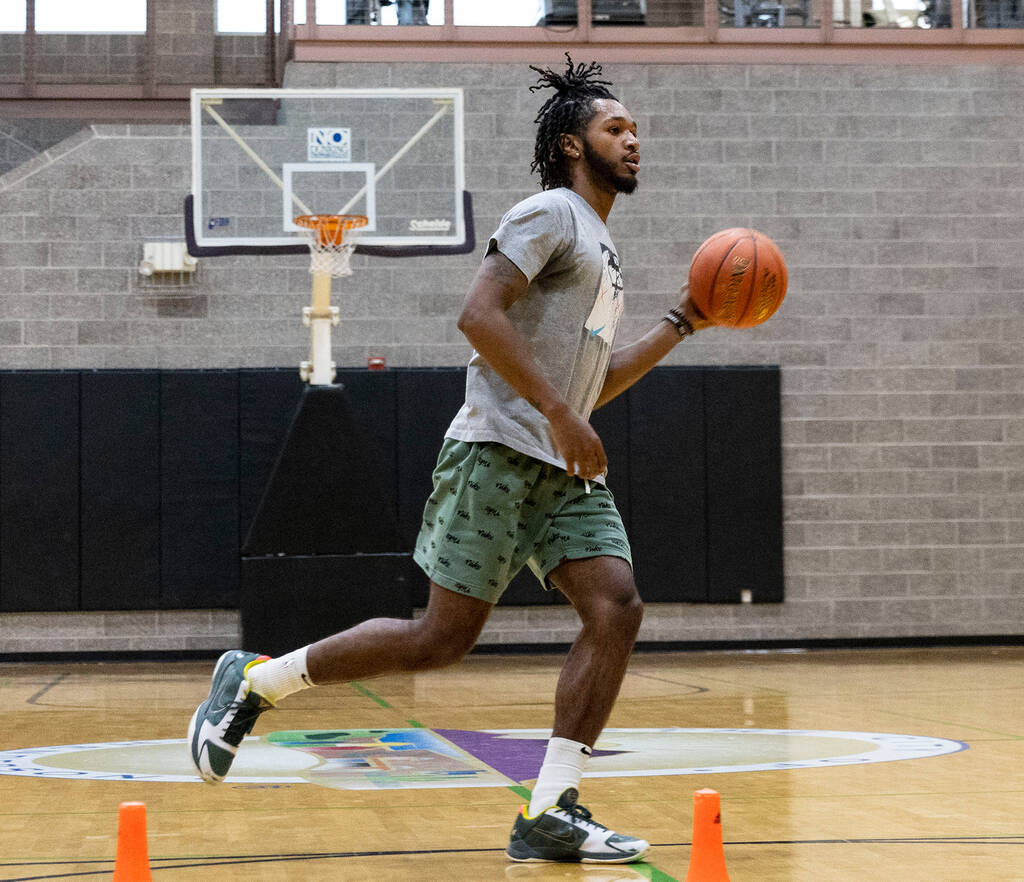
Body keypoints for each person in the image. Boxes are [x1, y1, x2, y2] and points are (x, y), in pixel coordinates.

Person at [187, 54, 711, 865]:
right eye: (616, 127)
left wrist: (681, 320)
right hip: (498, 451)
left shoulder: (603, 247)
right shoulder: (550, 213)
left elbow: (593, 379)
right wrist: (559, 411)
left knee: (616, 607)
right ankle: (257, 683)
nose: (633, 139)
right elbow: (478, 314)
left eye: (636, 128)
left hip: (560, 466)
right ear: (574, 144)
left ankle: (550, 809)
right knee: (439, 640)